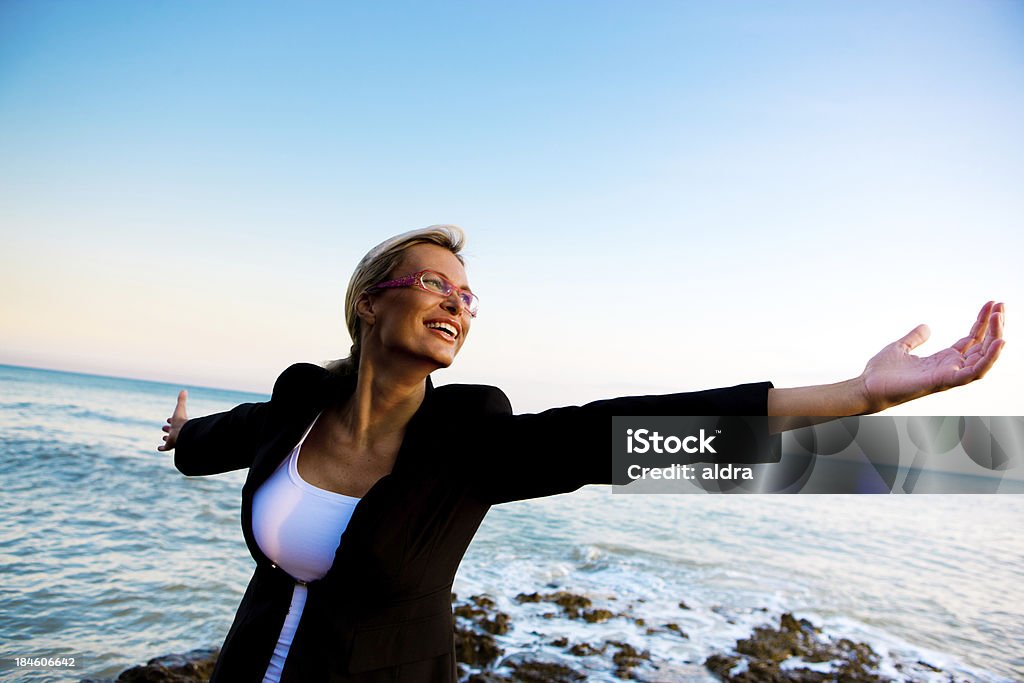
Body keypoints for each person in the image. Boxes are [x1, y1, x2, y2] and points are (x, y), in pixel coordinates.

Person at [157, 225, 1004, 682]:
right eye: (433, 283)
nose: (458, 302)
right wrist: (181, 436)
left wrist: (860, 396)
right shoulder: (300, 401)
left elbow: (616, 434)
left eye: (468, 294)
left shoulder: (469, 440)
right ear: (368, 305)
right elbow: (220, 438)